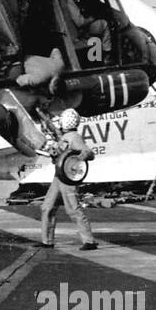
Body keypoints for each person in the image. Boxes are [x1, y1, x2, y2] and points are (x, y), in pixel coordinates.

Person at [40, 107, 98, 250]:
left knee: (73, 209)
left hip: (67, 179)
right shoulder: (66, 137)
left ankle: (89, 241)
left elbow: (88, 152)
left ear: (64, 122)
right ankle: (46, 241)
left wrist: (77, 159)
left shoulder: (73, 138)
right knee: (47, 207)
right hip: (59, 177)